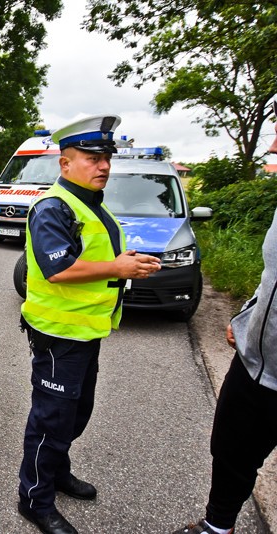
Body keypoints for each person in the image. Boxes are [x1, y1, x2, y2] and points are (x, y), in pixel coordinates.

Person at [16, 115, 162, 534]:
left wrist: (126, 262)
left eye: (106, 158)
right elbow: (57, 269)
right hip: (58, 334)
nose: (103, 166)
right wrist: (117, 266)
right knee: (51, 421)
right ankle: (34, 500)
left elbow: (94, 255)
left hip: (85, 331)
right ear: (65, 164)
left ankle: (56, 473)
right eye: (92, 157)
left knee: (76, 413)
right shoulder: (54, 207)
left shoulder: (90, 205)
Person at [173, 104, 277, 534]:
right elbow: (272, 278)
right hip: (257, 361)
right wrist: (247, 317)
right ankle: (218, 526)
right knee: (231, 449)